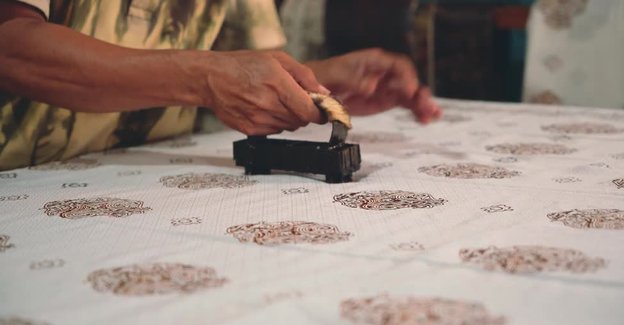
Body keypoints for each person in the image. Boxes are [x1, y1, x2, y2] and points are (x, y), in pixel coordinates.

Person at [0, 0, 441, 171]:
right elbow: (11, 45)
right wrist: (203, 78)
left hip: (144, 173)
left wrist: (326, 80)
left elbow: (240, 67)